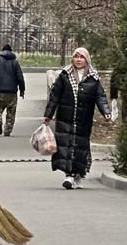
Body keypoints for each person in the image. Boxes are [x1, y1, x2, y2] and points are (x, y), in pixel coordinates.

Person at [43, 46, 111, 189]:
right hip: (65, 117)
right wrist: (48, 115)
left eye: (82, 57)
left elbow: (100, 96)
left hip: (83, 119)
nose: (78, 60)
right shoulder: (64, 75)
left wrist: (106, 111)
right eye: (76, 57)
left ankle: (78, 175)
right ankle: (68, 175)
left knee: (80, 147)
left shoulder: (93, 78)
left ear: (87, 60)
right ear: (72, 59)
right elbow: (55, 96)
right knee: (65, 145)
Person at [0, 42, 26, 136]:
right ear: (11, 52)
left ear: (2, 51)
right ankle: (7, 131)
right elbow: (20, 77)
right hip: (12, 92)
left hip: (0, 92)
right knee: (11, 112)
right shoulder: (15, 62)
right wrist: (22, 90)